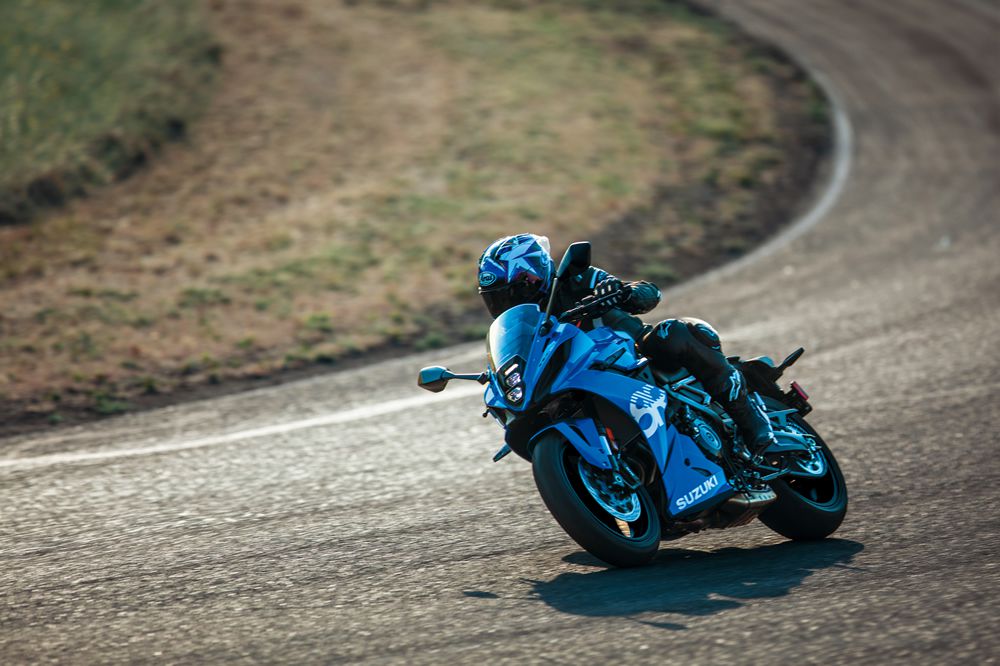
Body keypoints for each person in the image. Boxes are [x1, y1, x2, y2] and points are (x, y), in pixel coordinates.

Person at [477, 233, 777, 456]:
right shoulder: (519, 328)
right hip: (580, 379)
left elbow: (648, 293)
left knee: (675, 333)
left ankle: (751, 421)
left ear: (534, 275)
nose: (505, 303)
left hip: (633, 355)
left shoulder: (576, 280)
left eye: (512, 291)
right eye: (496, 298)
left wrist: (622, 292)